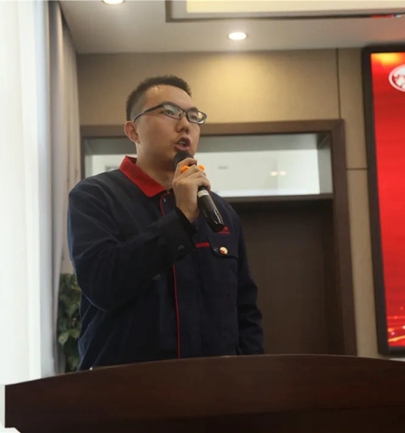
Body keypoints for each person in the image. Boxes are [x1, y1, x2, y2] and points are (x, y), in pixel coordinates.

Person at [67, 75, 263, 370]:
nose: (185, 125)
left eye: (194, 117)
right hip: (125, 389)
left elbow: (245, 311)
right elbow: (102, 285)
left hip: (215, 388)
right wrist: (180, 219)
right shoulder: (95, 196)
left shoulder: (220, 211)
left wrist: (252, 378)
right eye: (169, 112)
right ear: (133, 130)